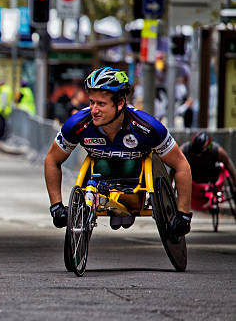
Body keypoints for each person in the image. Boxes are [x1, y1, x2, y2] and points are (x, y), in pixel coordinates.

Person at [44, 67, 193, 236]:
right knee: (103, 165)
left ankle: (127, 205)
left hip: (137, 179)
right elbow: (52, 160)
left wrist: (183, 214)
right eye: (91, 102)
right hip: (101, 174)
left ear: (121, 103)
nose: (94, 110)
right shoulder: (77, 124)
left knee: (130, 166)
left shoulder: (147, 127)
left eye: (101, 104)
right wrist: (56, 206)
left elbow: (181, 165)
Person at [181, 132, 236, 211]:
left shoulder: (218, 151)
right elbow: (174, 168)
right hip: (193, 179)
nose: (198, 156)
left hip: (212, 178)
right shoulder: (184, 150)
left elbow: (229, 166)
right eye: (196, 153)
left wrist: (234, 184)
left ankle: (213, 197)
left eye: (200, 153)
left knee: (222, 167)